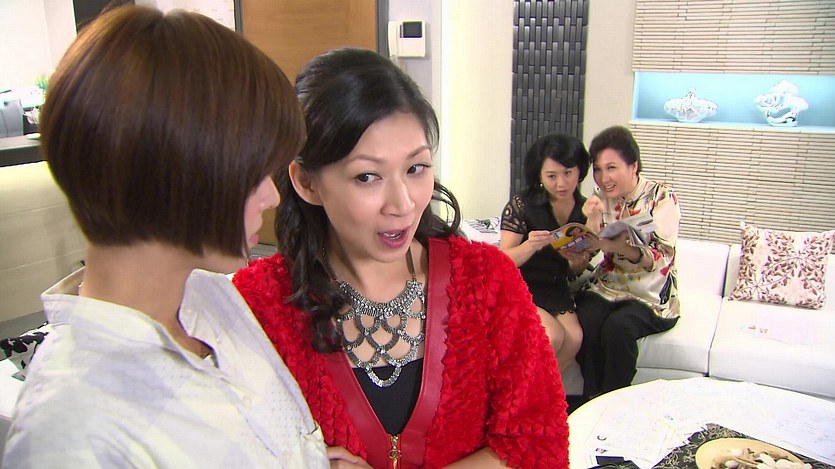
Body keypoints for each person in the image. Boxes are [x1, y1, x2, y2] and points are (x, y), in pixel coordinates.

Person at [3, 6, 328, 467]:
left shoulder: (211, 297)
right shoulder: (70, 433)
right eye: (253, 174)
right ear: (176, 170)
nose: (270, 197)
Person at [233, 48, 569, 469]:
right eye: (367, 176)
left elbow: (538, 444)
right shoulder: (259, 303)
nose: (403, 204)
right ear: (307, 183)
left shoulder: (486, 279)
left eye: (416, 168)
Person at [575, 125, 681, 397]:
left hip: (649, 293)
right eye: (598, 169)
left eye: (611, 168)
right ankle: (591, 399)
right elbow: (591, 251)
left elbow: (661, 257)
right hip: (608, 286)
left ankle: (615, 400)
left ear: (633, 166)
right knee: (586, 319)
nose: (603, 178)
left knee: (618, 328)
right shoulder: (600, 198)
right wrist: (591, 222)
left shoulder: (661, 197)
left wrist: (624, 248)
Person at [499, 133, 591, 374]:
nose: (561, 183)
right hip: (520, 285)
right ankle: (524, 392)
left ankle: (544, 392)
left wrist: (577, 262)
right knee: (552, 335)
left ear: (580, 170)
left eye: (568, 173)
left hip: (555, 287)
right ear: (539, 176)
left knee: (574, 338)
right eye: (552, 176)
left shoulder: (585, 210)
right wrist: (530, 245)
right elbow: (503, 261)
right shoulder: (522, 204)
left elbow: (575, 270)